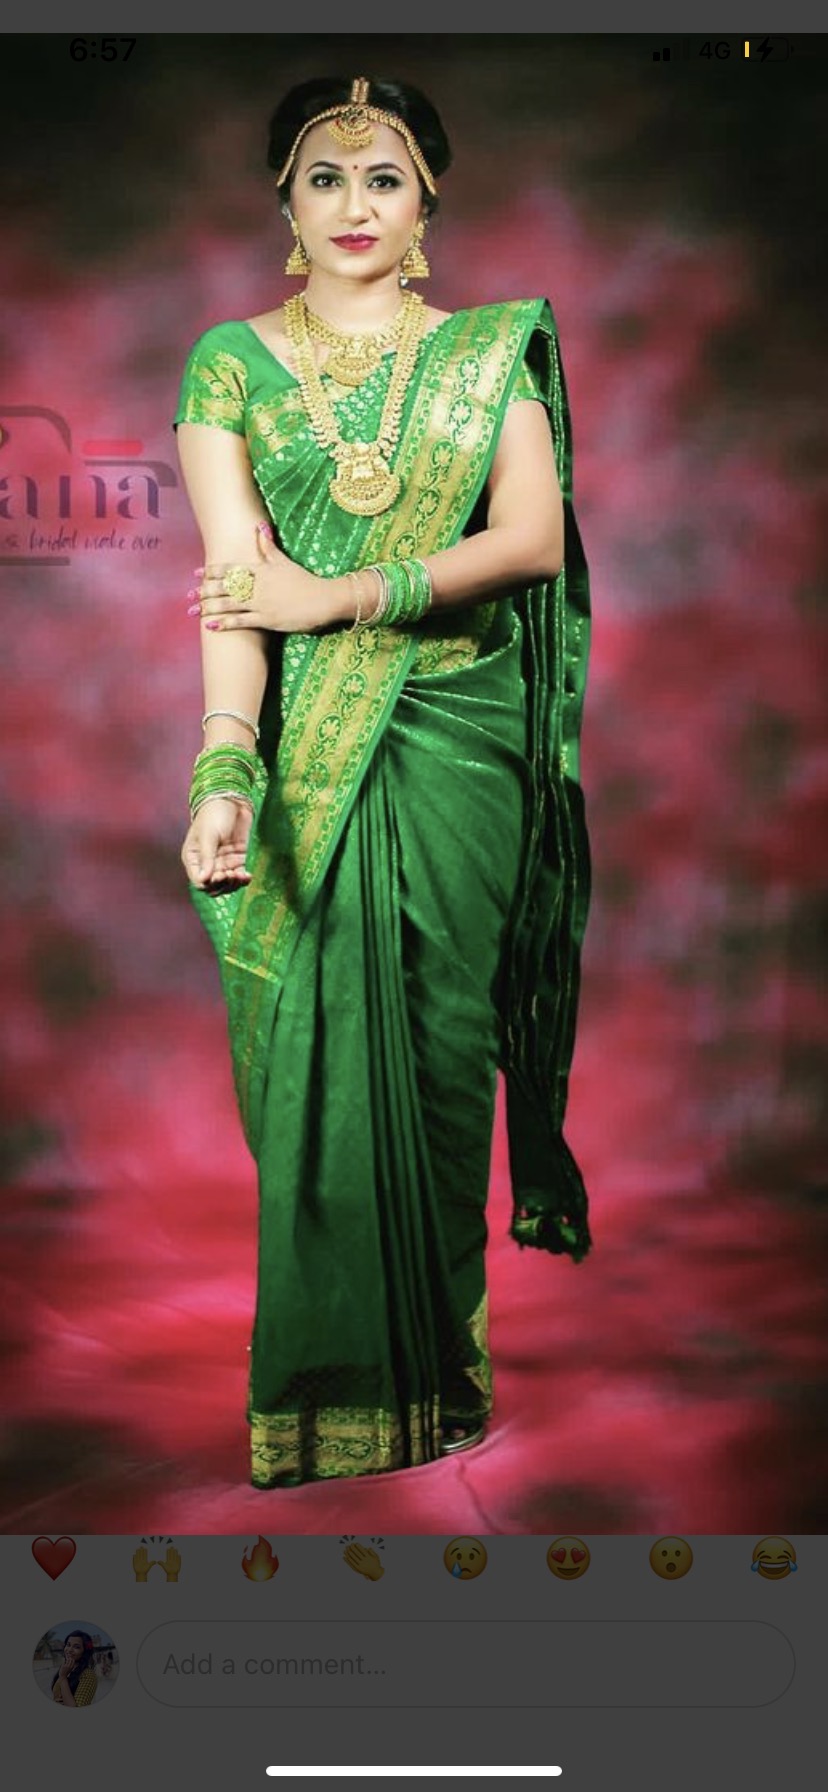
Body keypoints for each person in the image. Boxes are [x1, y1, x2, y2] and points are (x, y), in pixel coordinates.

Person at [174, 75, 592, 1489]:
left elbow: (530, 540)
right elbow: (239, 598)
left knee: (441, 1058)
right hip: (310, 757)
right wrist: (225, 778)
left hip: (459, 740)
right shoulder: (228, 364)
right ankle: (331, 1391)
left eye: (385, 177)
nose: (355, 205)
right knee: (316, 1079)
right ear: (284, 204)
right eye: (325, 177)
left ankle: (442, 1378)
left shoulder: (489, 353)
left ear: (428, 203)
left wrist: (342, 594)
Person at [51, 1631, 97, 1707]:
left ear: (85, 1651)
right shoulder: (65, 1668)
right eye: (68, 1645)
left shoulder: (88, 1674)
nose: (69, 1650)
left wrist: (63, 1677)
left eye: (76, 1647)